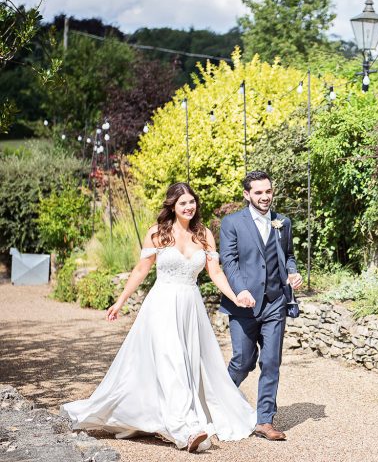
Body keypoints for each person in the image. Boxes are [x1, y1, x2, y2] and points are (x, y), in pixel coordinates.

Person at [61, 183, 258, 453]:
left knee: (188, 362)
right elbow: (141, 270)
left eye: (192, 202)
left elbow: (216, 273)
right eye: (183, 203)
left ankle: (181, 421)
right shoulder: (157, 233)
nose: (189, 207)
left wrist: (236, 297)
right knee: (172, 362)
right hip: (162, 306)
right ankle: (185, 431)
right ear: (172, 206)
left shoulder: (204, 235)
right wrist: (120, 301)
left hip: (190, 307)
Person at [219, 170, 302, 441]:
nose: (265, 197)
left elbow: (288, 255)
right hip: (243, 304)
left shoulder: (283, 222)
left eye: (268, 191)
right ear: (247, 194)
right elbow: (229, 261)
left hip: (275, 302)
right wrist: (240, 290)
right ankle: (218, 403)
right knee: (243, 361)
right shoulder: (232, 223)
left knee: (271, 361)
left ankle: (264, 420)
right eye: (258, 192)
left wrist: (292, 272)